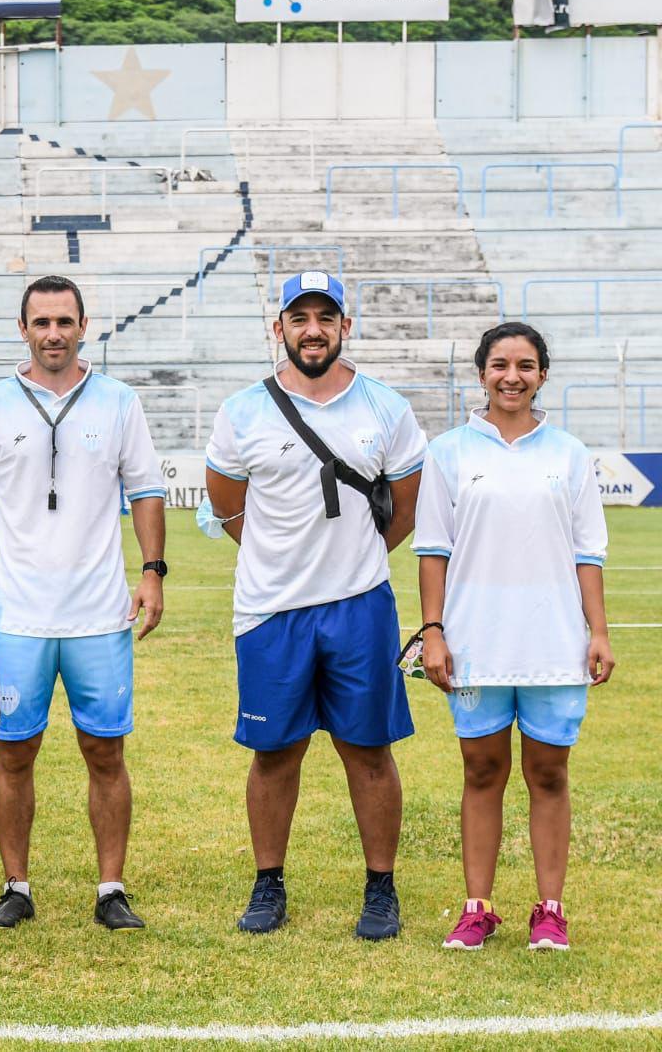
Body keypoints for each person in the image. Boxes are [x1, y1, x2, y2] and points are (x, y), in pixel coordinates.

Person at [204, 271, 427, 940]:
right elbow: (225, 503)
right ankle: (268, 884)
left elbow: (407, 508)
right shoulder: (243, 409)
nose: (312, 329)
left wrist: (351, 563)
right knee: (275, 751)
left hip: (360, 606)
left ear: (344, 328)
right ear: (280, 329)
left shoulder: (386, 406)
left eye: (324, 317)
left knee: (369, 749)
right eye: (298, 318)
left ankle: (380, 889)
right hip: (272, 611)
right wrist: (280, 557)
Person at [0, 275, 168, 931]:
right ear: (23, 329)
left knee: (106, 752)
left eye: (64, 322)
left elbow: (147, 490)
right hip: (18, 618)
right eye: (40, 322)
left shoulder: (119, 402)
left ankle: (111, 889)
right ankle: (16, 886)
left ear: (83, 326)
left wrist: (152, 572)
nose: (53, 334)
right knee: (14, 753)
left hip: (100, 615)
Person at [413, 323, 614, 952]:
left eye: (526, 366)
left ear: (542, 376)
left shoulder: (570, 454)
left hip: (553, 644)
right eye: (500, 364)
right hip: (475, 643)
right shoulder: (447, 453)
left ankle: (550, 910)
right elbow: (432, 552)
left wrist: (598, 632)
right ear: (481, 374)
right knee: (482, 770)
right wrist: (434, 632)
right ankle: (478, 907)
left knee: (548, 772)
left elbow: (588, 554)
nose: (512, 376)